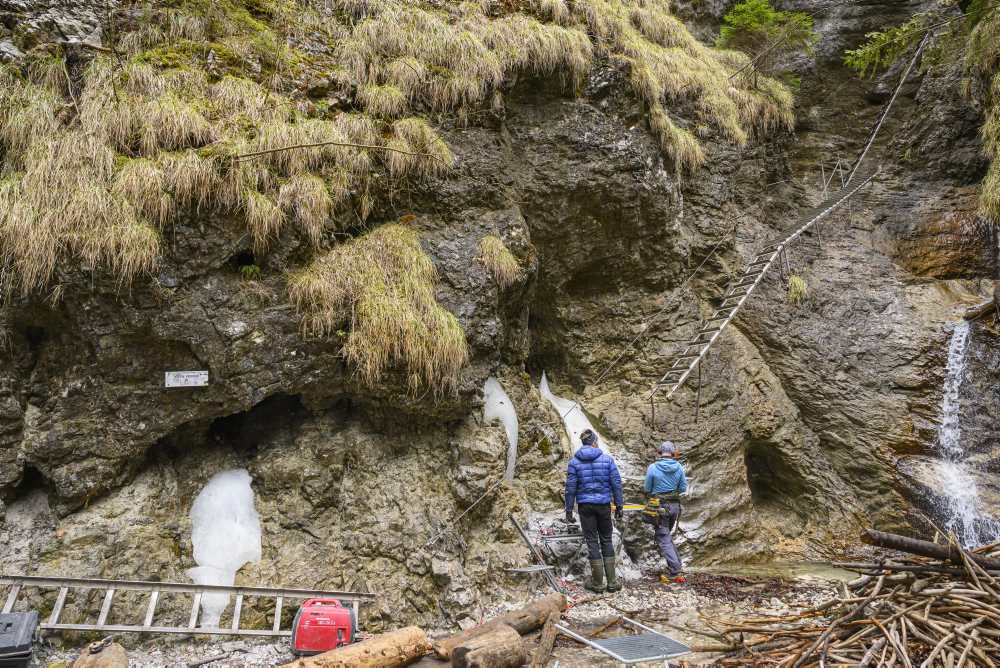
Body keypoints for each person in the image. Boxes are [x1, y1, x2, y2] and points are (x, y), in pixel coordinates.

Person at [565, 429, 624, 593]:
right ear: (595, 442)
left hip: (585, 507)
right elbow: (616, 485)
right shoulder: (607, 460)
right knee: (606, 539)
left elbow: (570, 489)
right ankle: (612, 582)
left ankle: (597, 583)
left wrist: (569, 509)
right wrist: (619, 506)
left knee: (592, 541)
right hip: (604, 506)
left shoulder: (574, 463)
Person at [644, 440, 687, 583]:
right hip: (675, 506)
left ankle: (675, 571)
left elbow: (647, 489)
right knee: (666, 536)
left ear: (659, 452)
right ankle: (677, 565)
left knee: (663, 538)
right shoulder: (679, 467)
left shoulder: (653, 467)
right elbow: (682, 489)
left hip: (660, 507)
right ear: (674, 453)